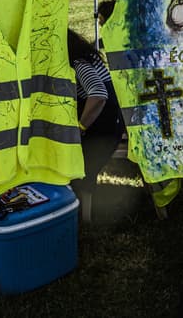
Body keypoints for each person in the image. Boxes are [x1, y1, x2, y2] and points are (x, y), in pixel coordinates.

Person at [67, 29, 124, 222]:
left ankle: (85, 218)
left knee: (83, 171)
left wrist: (81, 127)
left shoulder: (77, 63)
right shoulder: (87, 56)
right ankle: (83, 215)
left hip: (104, 129)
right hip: (111, 124)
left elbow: (98, 94)